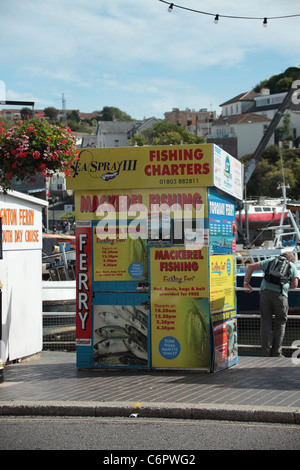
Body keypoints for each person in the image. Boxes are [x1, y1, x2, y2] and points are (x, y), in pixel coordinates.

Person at [244, 251, 298, 357]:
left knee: (266, 322)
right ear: (291, 259)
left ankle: (265, 352)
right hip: (280, 295)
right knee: (281, 323)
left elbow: (250, 267)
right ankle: (277, 353)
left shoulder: (270, 261)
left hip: (265, 293)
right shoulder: (291, 265)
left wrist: (246, 283)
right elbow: (295, 284)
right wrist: (286, 286)